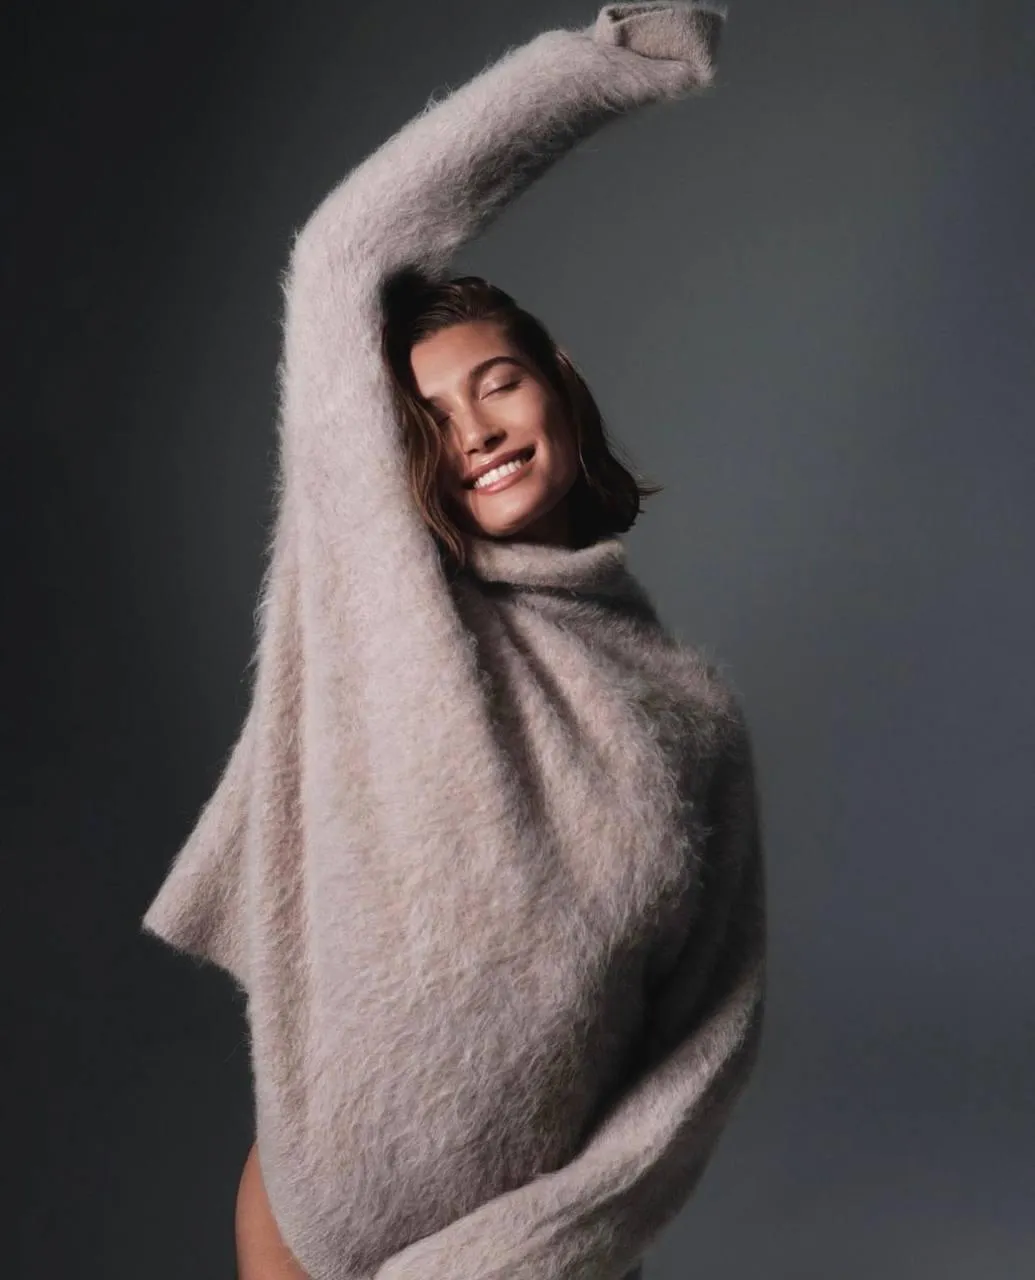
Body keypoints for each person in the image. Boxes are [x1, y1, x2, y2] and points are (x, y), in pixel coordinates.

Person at [143, 5, 766, 1280]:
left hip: (537, 1262)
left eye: (496, 380)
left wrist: (522, 1251)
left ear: (559, 382)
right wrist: (612, 62)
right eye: (426, 415)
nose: (472, 425)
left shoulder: (689, 712)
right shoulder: (389, 604)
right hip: (305, 1231)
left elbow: (704, 1044)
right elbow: (340, 254)